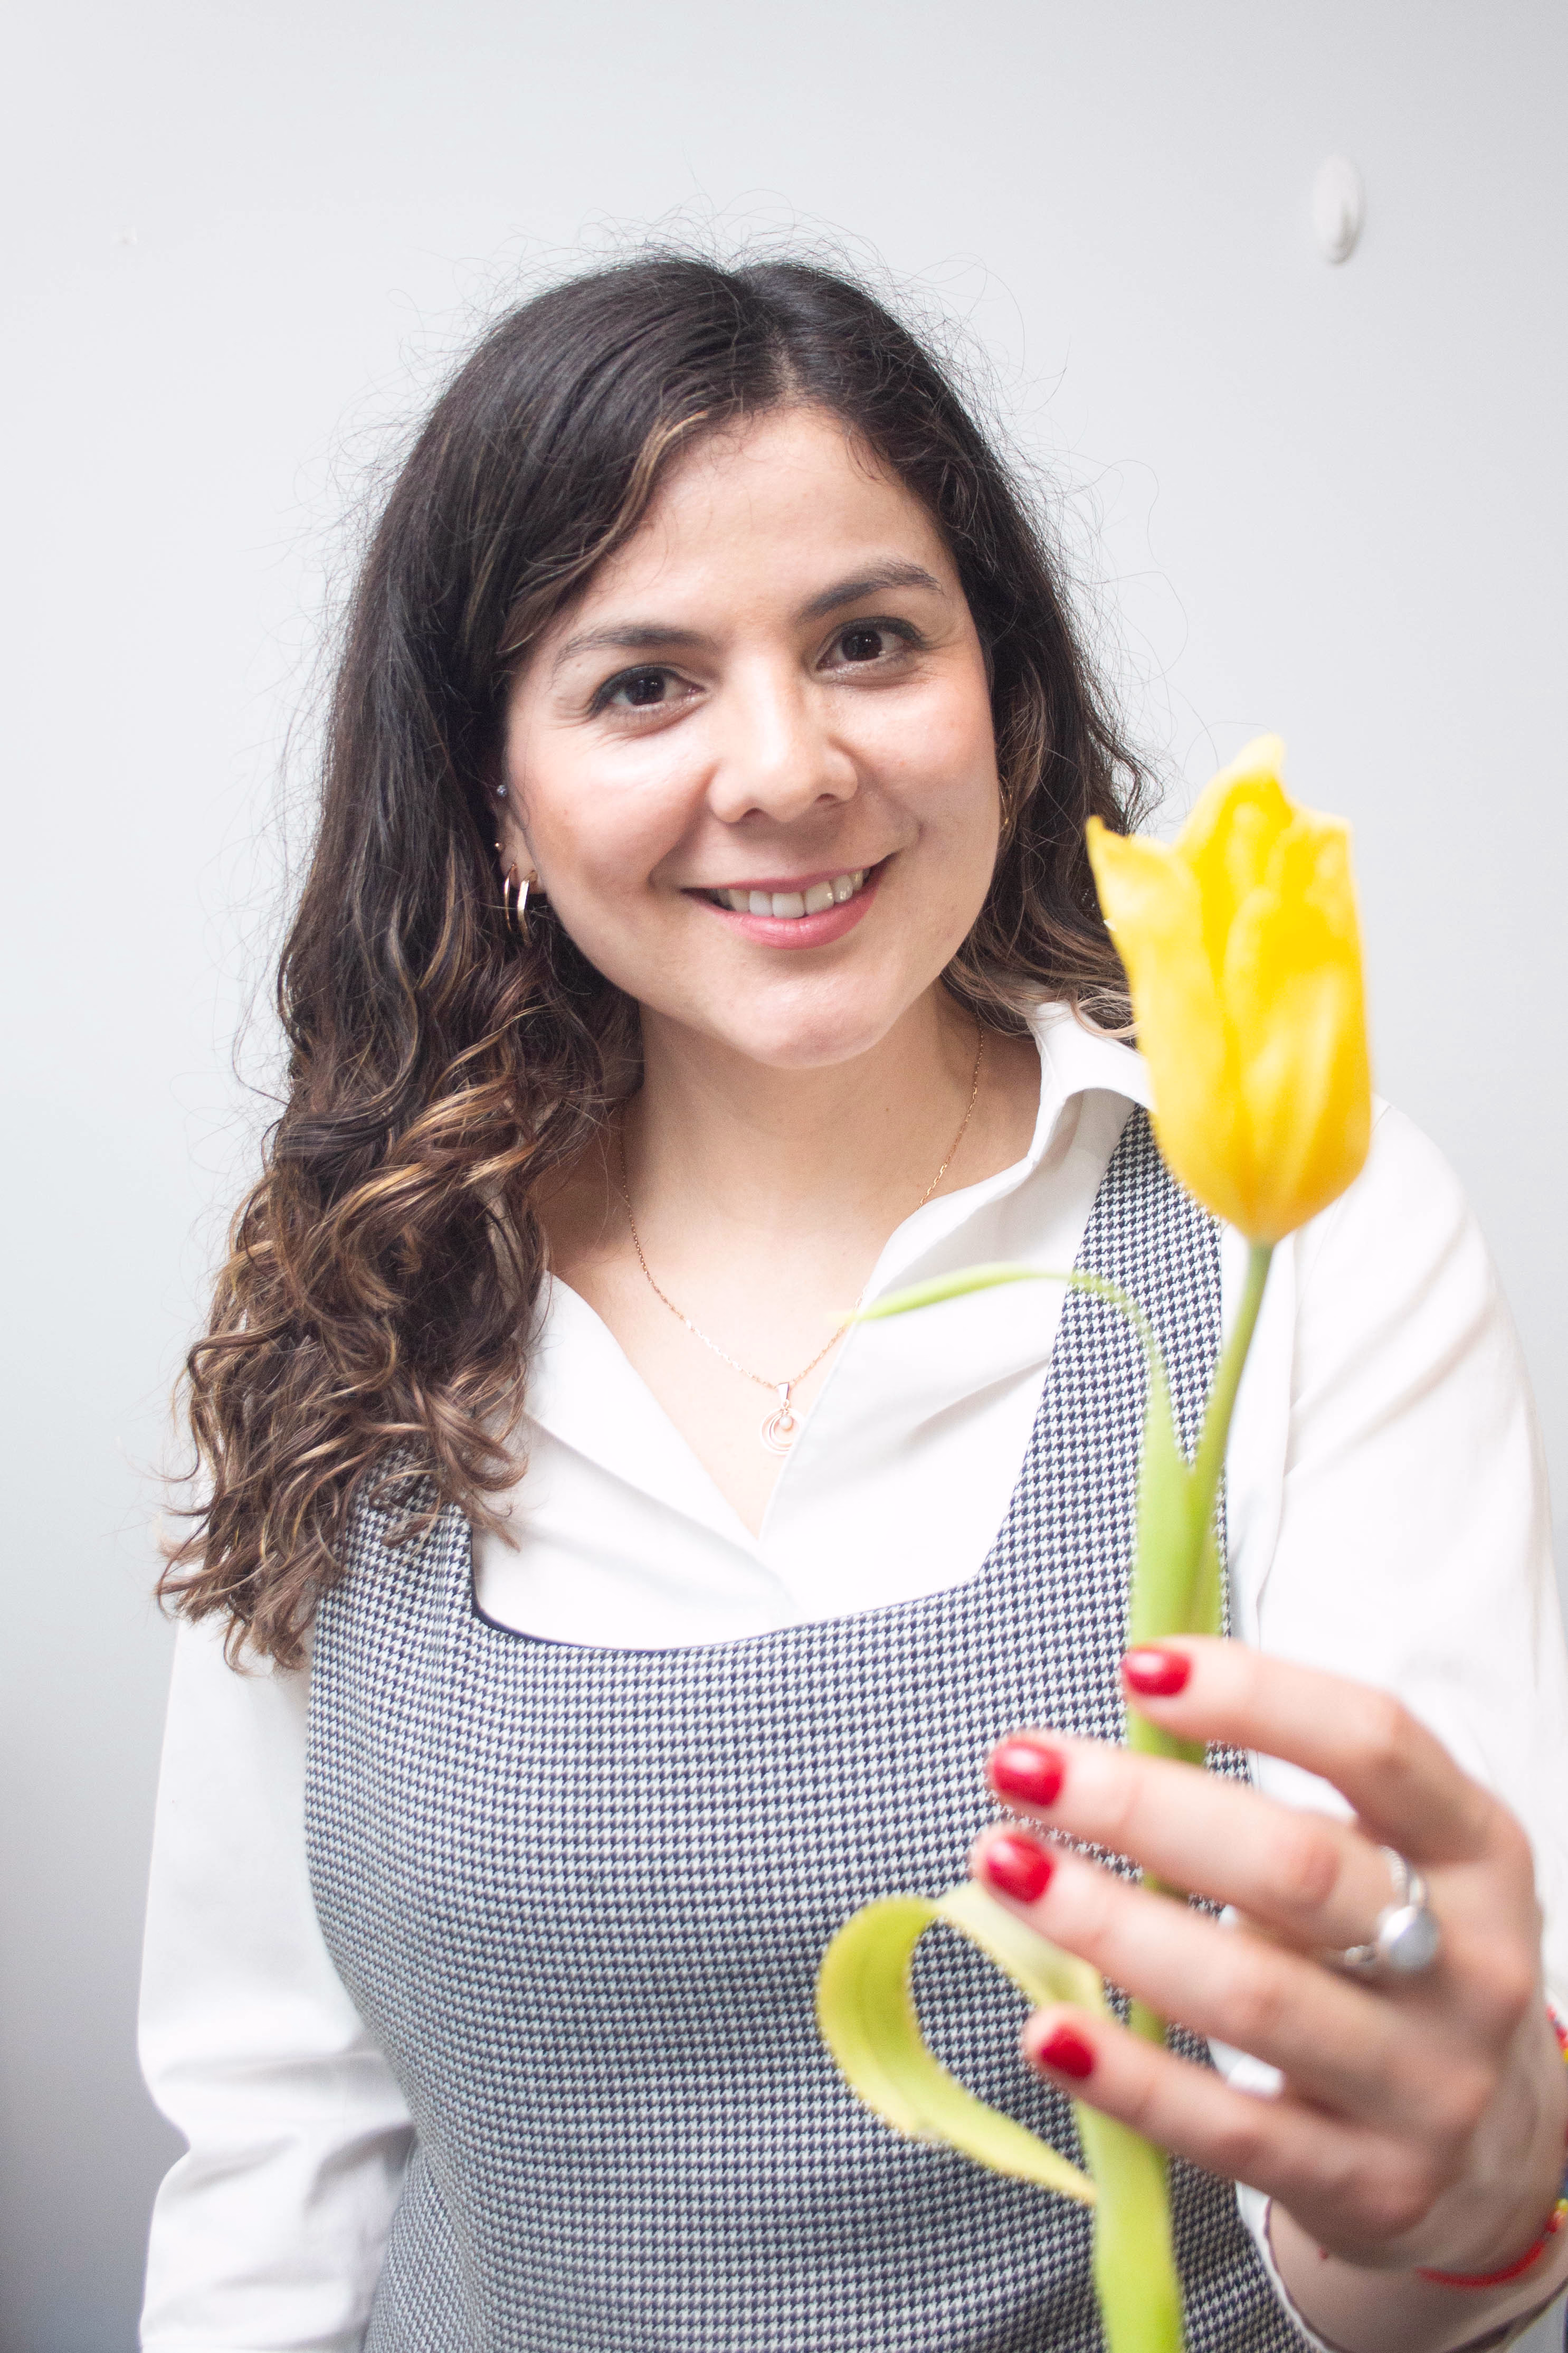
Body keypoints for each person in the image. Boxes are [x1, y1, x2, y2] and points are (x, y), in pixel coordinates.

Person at [139, 253, 1568, 2353]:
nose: (788, 767)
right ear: (493, 794)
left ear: (1004, 692)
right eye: (644, 684)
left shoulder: (1304, 1232)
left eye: (869, 642)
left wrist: (1462, 2198)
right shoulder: (355, 1286)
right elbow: (279, 2138)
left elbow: (1380, 2170)